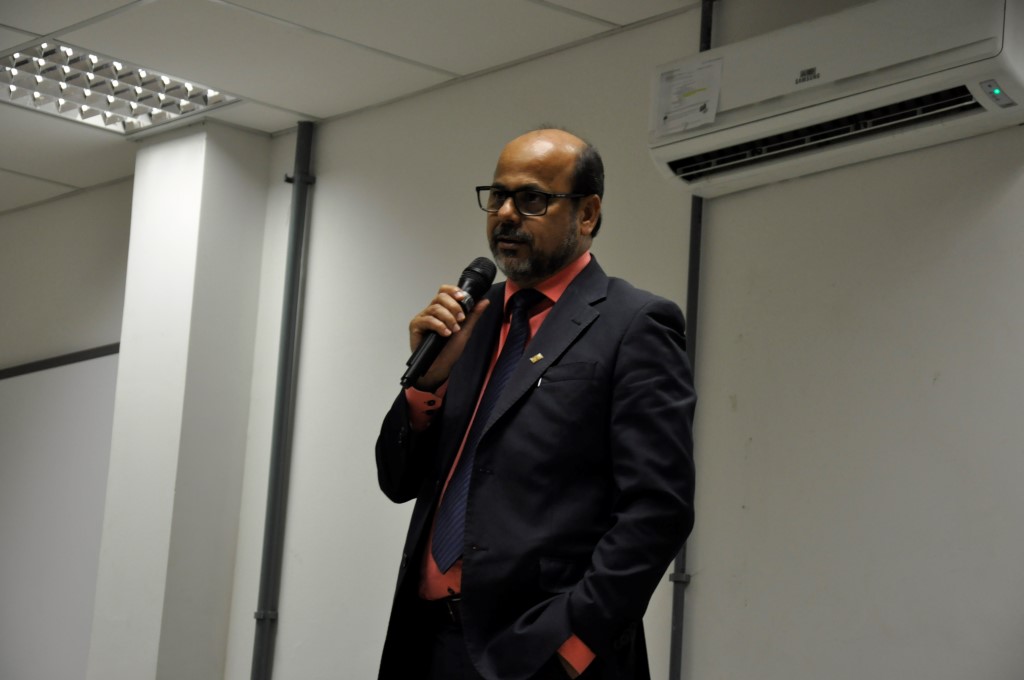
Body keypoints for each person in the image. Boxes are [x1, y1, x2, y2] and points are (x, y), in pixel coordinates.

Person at [375, 127, 696, 680]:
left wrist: (573, 646)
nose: (505, 214)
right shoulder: (472, 319)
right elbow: (397, 480)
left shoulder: (634, 324)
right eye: (497, 196)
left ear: (587, 214)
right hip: (430, 643)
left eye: (531, 199)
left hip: (542, 653)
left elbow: (658, 508)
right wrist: (428, 382)